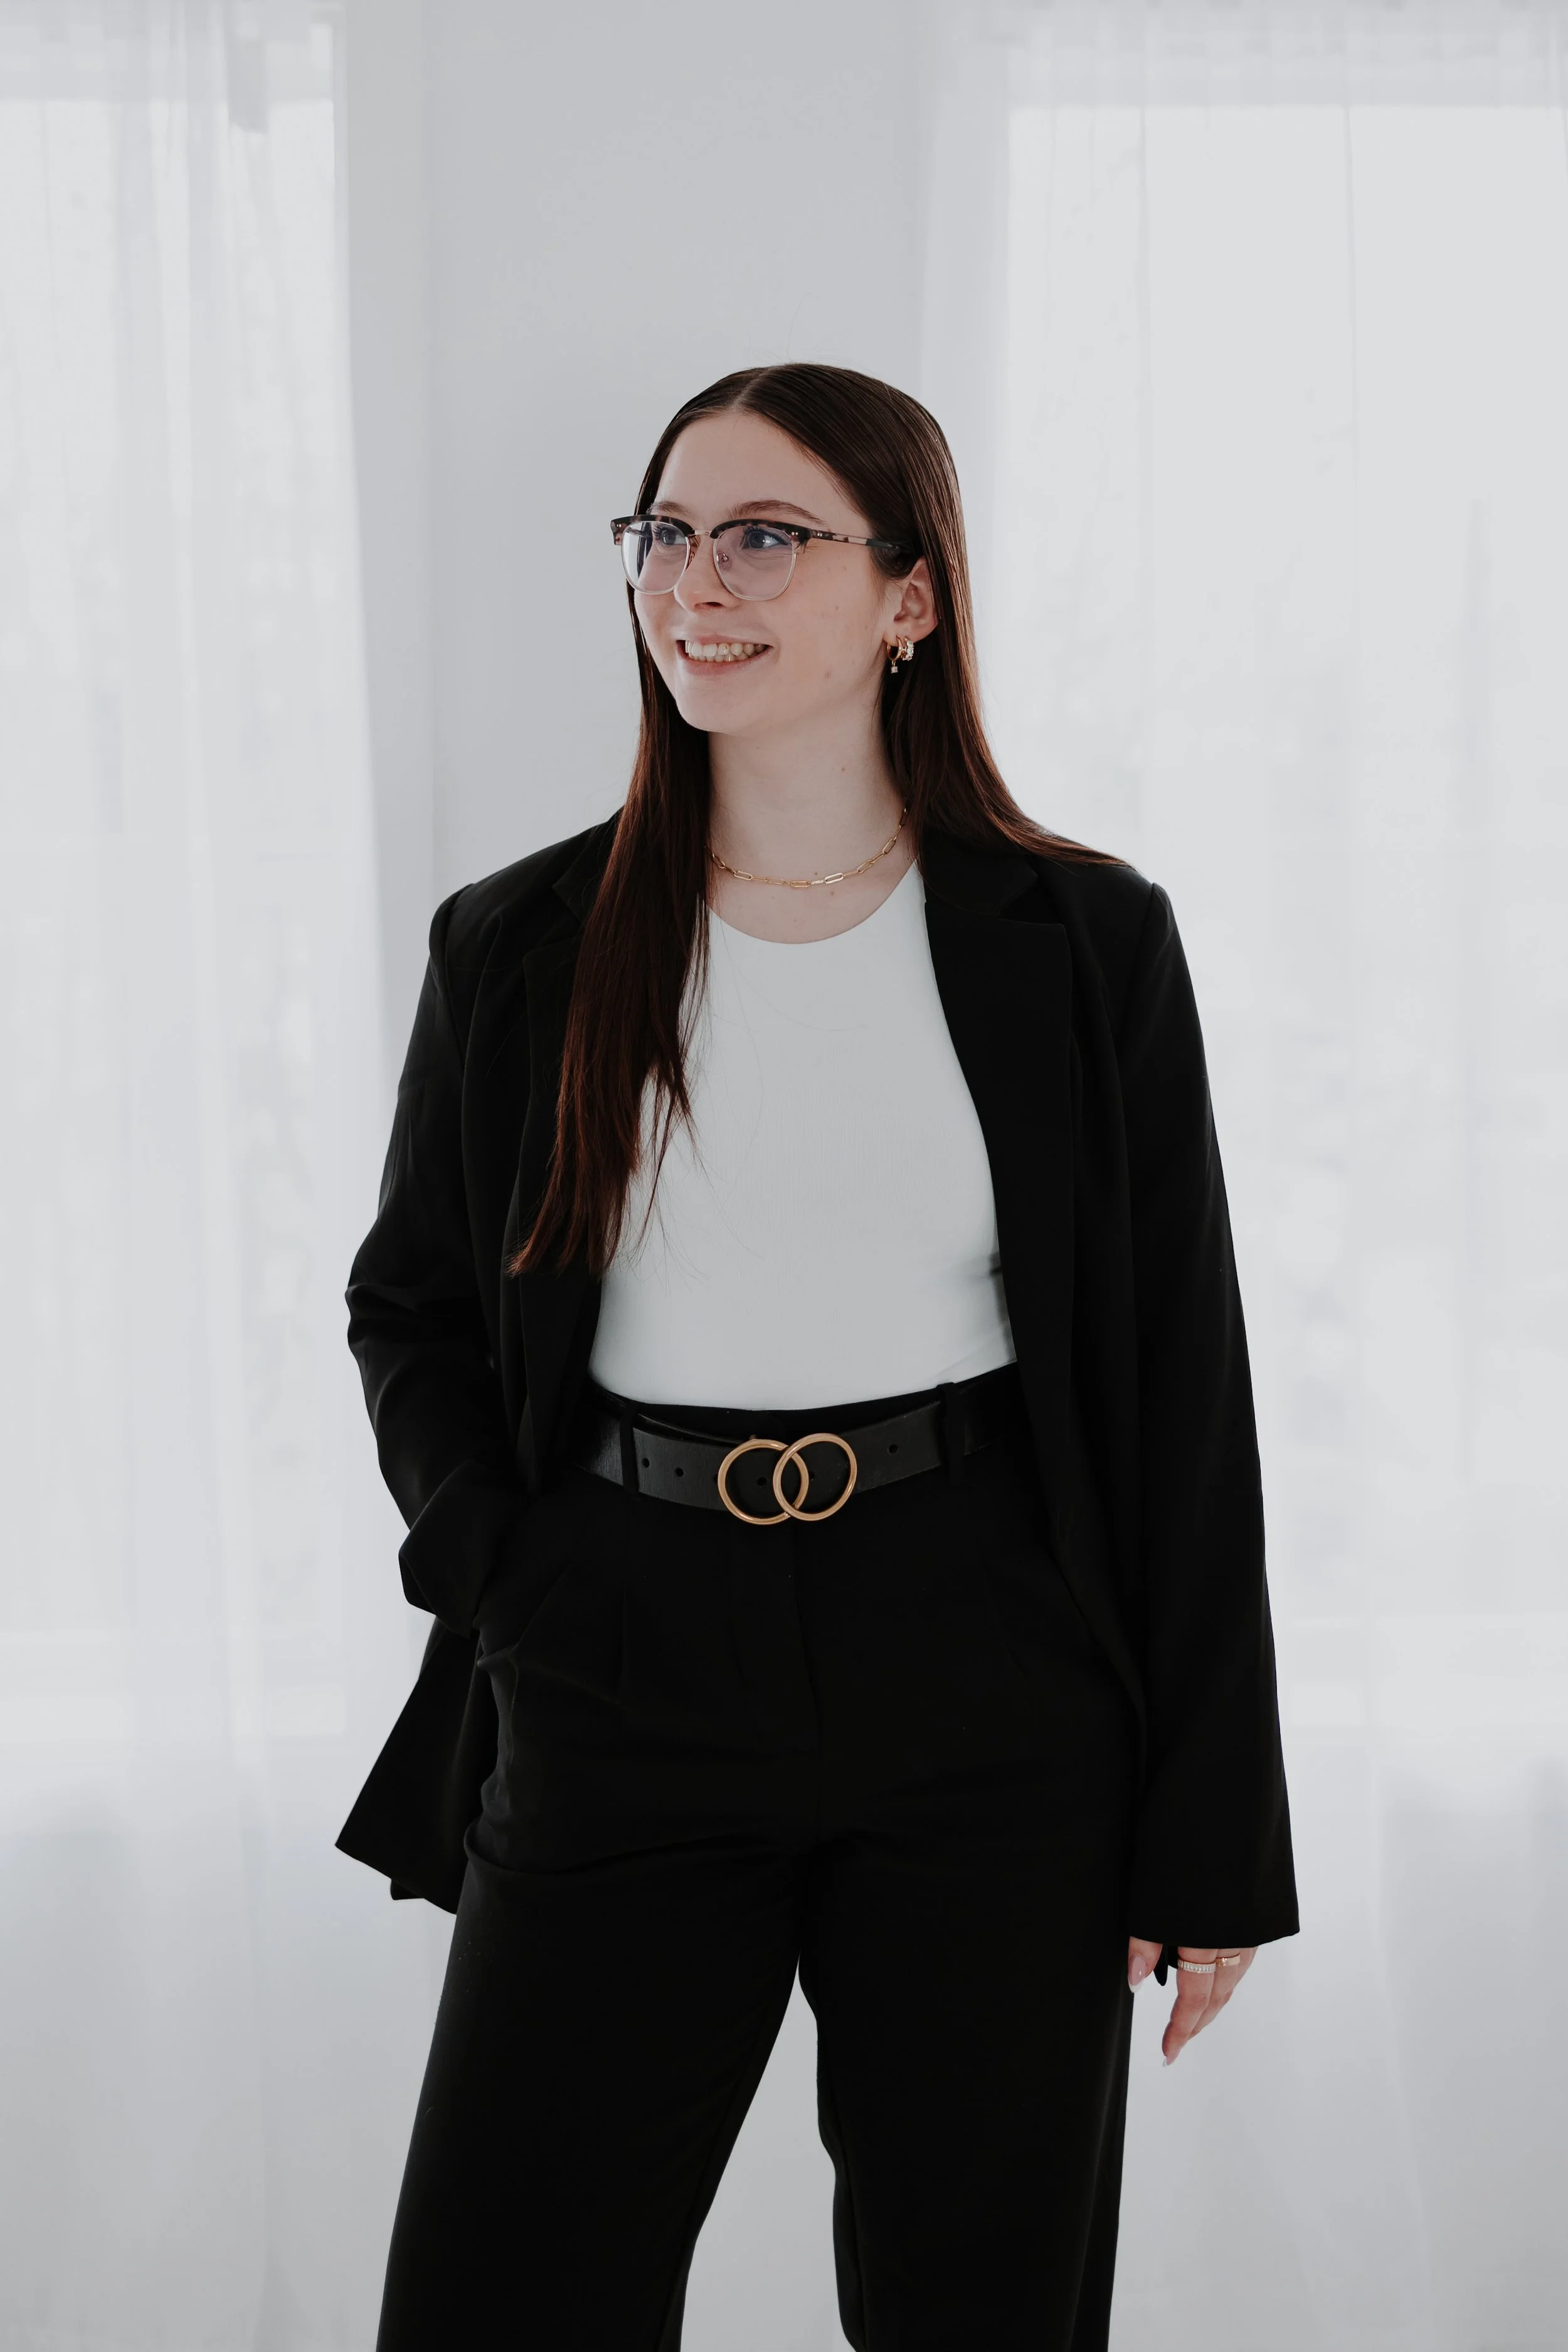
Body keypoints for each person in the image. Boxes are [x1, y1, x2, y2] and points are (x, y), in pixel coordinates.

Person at [339, 361, 1299, 2351]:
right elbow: (412, 1306)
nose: (701, 578)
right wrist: (508, 1577)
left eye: (767, 533)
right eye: (668, 532)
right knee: (502, 2296)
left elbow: (1181, 1392)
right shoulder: (519, 943)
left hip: (985, 1657)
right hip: (618, 1650)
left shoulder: (1082, 941)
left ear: (908, 597)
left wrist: (1212, 1829)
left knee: (981, 2308)